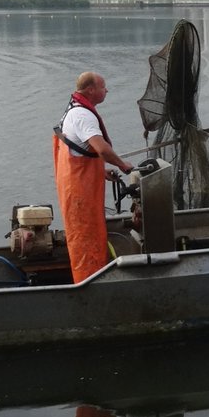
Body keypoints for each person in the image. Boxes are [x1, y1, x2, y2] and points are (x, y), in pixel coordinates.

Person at [53, 71, 135, 283]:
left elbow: (78, 150)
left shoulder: (73, 110)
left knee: (82, 237)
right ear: (90, 90)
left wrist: (101, 172)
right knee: (86, 239)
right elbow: (102, 149)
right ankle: (90, 284)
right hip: (81, 194)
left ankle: (87, 278)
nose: (106, 90)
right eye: (103, 86)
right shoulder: (83, 115)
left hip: (73, 186)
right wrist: (123, 165)